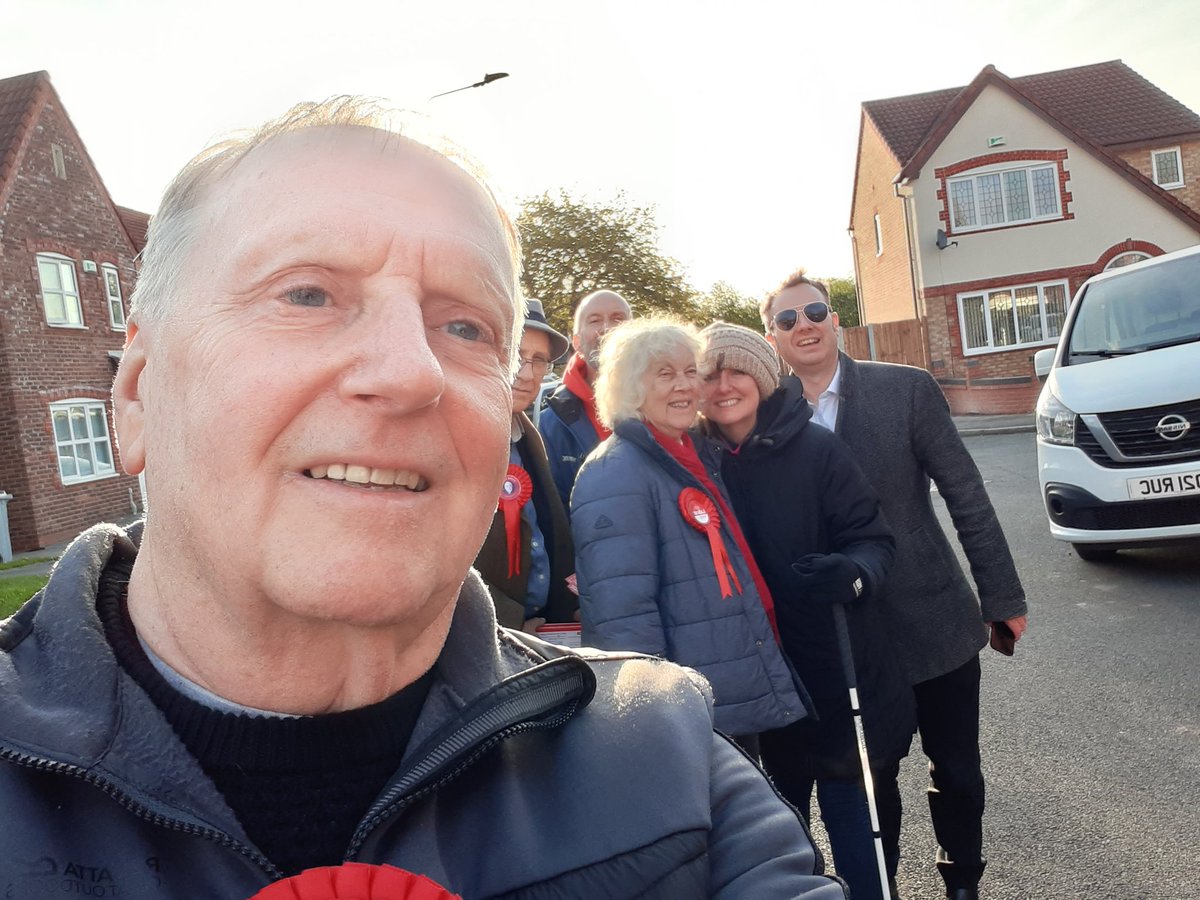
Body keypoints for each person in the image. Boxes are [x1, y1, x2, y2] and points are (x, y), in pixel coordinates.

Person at [0, 99, 849, 899]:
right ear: (138, 394)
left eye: (465, 327)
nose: (412, 371)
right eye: (307, 294)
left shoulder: (666, 761)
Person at [762, 270, 1029, 900]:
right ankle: (884, 886)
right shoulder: (762, 412)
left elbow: (966, 494)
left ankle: (962, 879)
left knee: (957, 771)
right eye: (787, 318)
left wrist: (1003, 597)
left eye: (815, 311)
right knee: (869, 782)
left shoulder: (905, 389)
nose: (804, 324)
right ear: (769, 335)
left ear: (836, 319)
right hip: (841, 640)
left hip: (934, 621)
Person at [697, 322, 909, 900]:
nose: (723, 385)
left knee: (860, 847)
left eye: (736, 369)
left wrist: (855, 574)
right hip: (757, 691)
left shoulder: (817, 448)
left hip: (836, 675)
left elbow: (875, 540)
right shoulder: (693, 463)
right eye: (708, 373)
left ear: (763, 378)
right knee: (780, 853)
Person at [570, 318, 811, 750]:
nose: (684, 386)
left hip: (724, 682)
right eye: (665, 374)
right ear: (631, 387)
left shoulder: (694, 451)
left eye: (688, 371)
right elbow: (623, 618)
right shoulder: (614, 473)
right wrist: (653, 715)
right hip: (686, 705)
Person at [473, 299, 578, 631]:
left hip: (540, 629)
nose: (527, 373)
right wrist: (507, 623)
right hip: (486, 637)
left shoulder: (528, 438)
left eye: (539, 361)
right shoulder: (453, 439)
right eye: (517, 356)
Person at [539, 288, 632, 504]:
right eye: (595, 320)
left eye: (618, 318)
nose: (607, 328)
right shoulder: (552, 423)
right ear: (577, 342)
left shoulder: (664, 405)